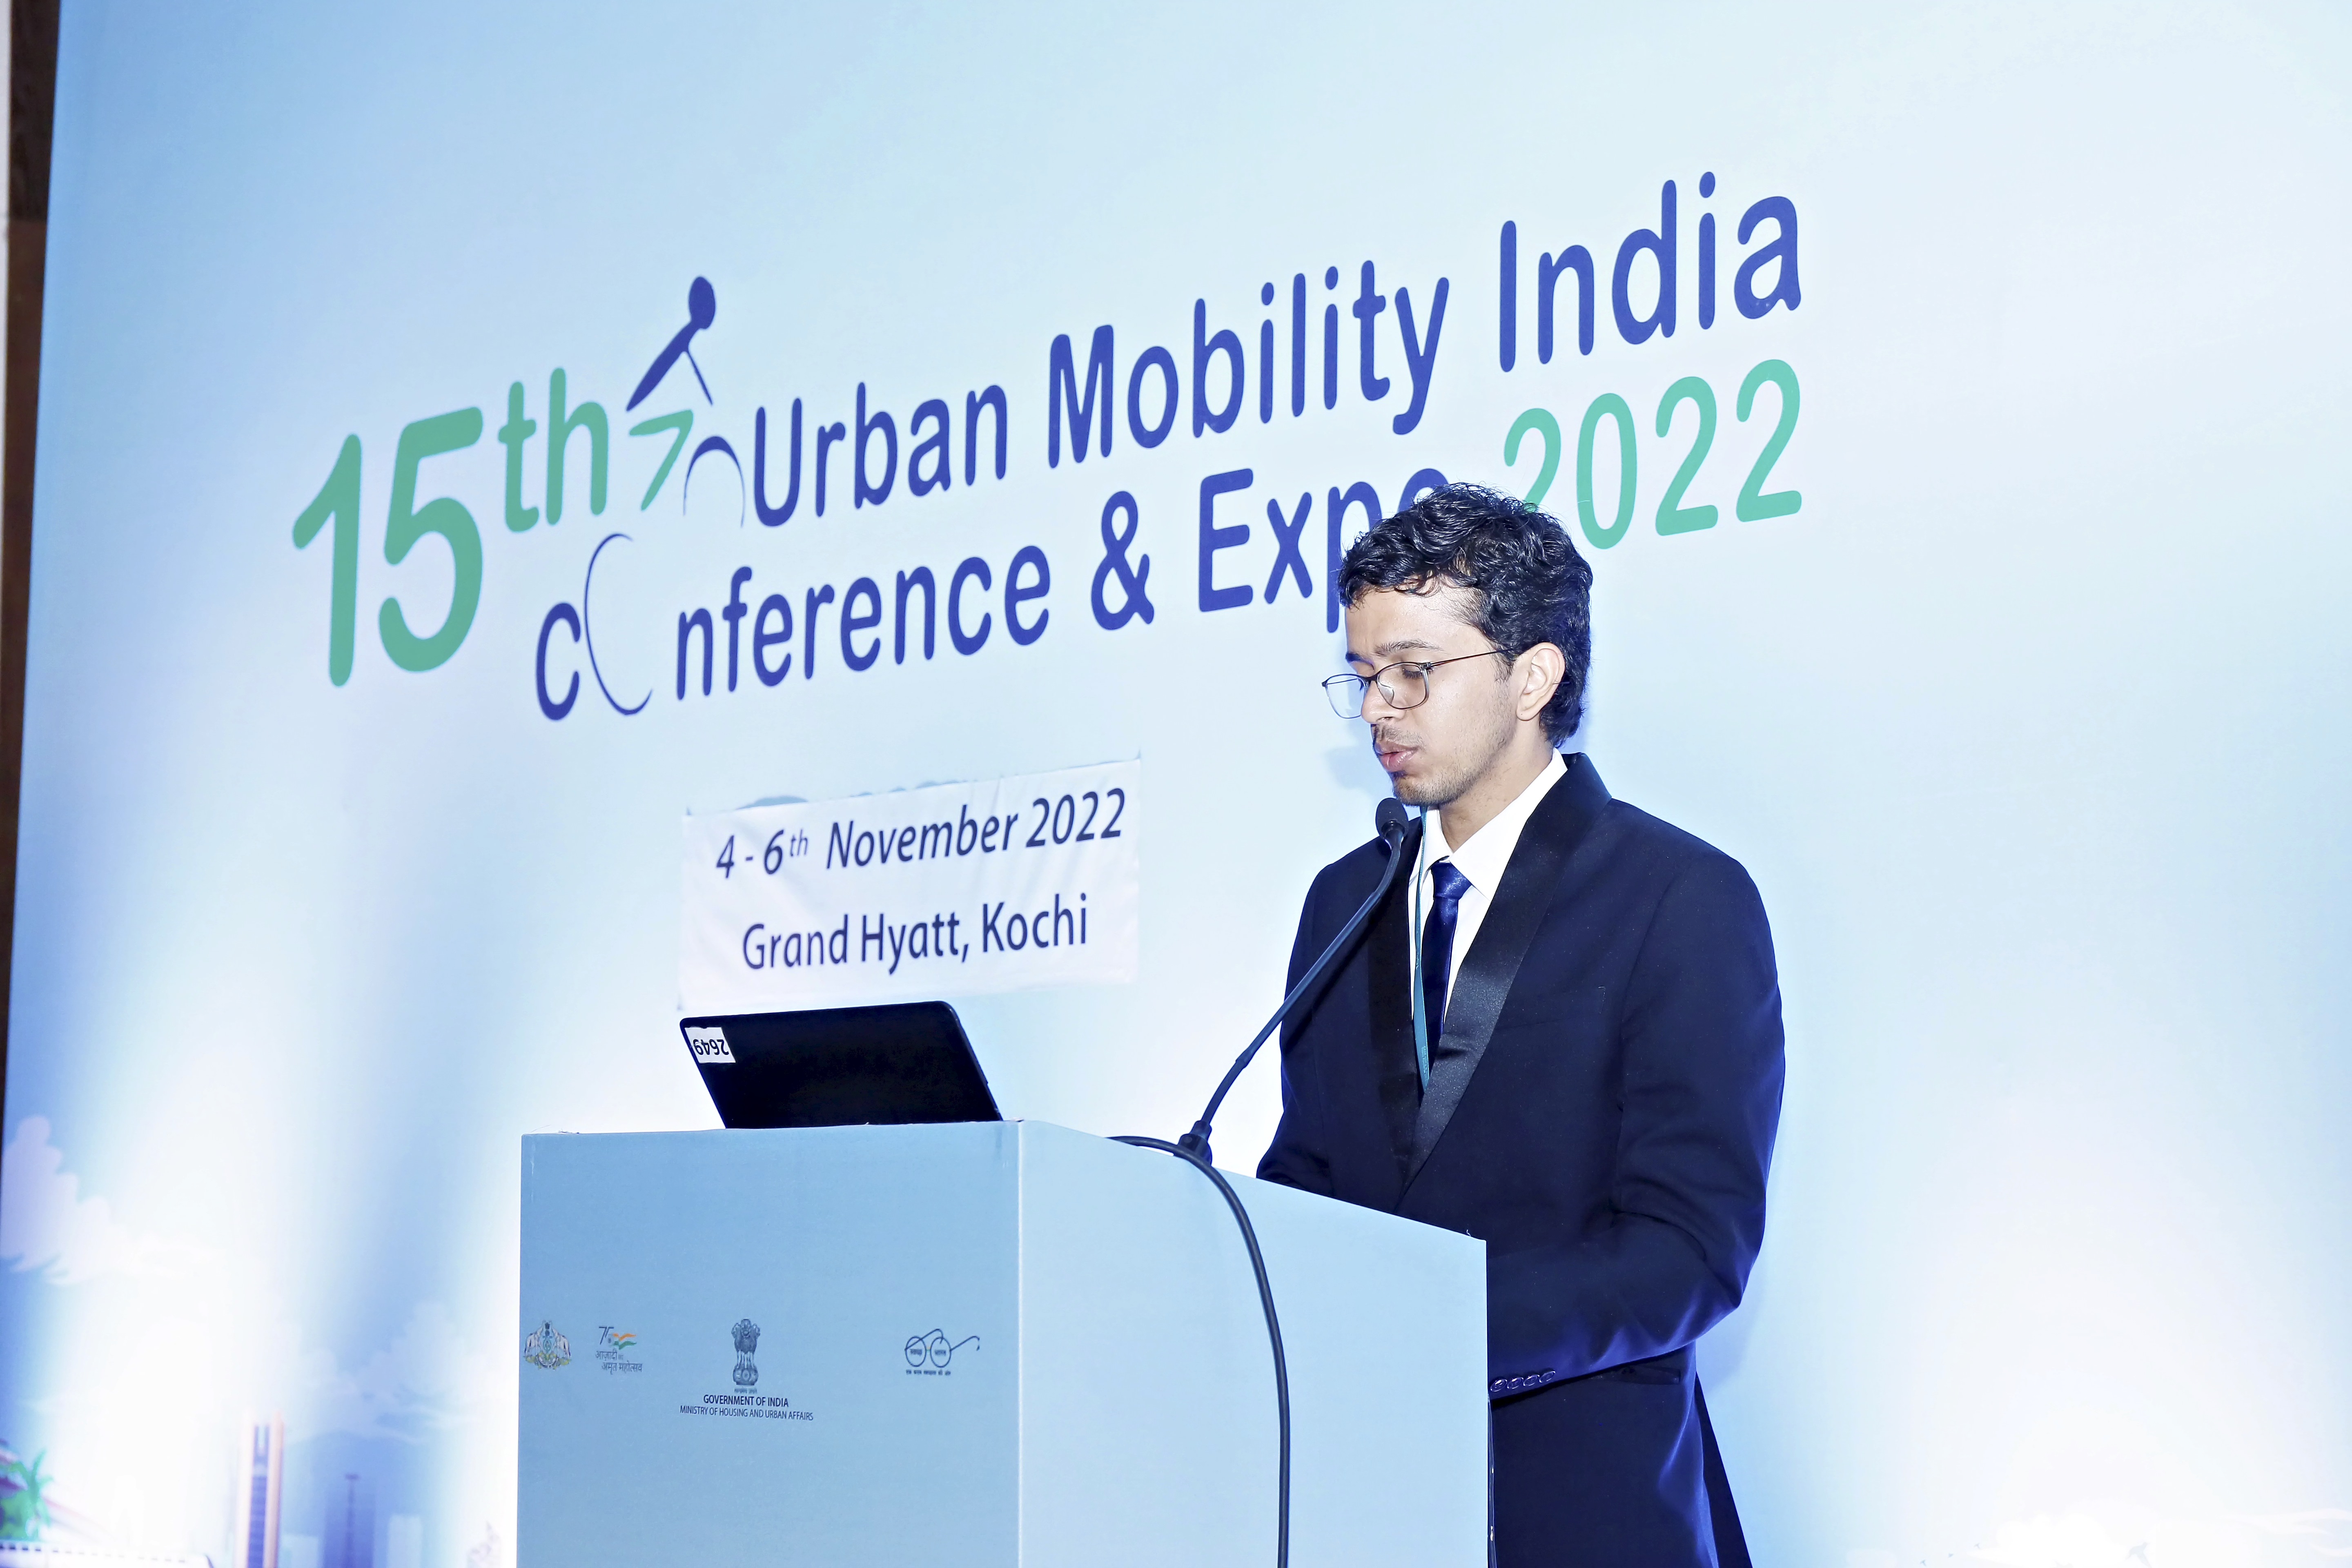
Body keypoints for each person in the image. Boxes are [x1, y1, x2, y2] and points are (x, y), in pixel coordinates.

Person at [1257, 484, 1784, 1568]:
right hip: (1356, 1507)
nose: (1379, 709)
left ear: (1533, 677)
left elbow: (1689, 1250)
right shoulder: (1343, 900)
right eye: (1362, 674)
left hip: (1581, 1506)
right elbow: (1307, 1180)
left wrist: (1439, 1333)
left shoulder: (1679, 896)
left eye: (1414, 671)